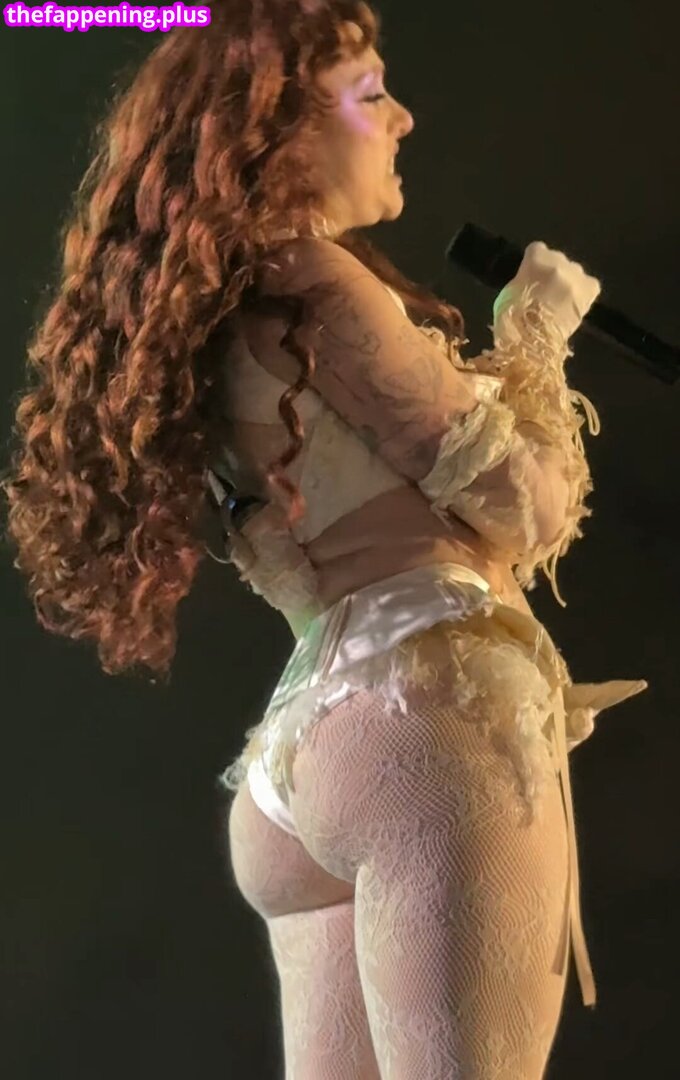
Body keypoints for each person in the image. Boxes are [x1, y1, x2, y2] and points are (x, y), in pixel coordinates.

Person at [2, 3, 647, 1077]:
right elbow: (523, 507)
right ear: (278, 130)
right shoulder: (316, 285)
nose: (403, 117)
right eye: (370, 94)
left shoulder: (204, 313)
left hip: (303, 757)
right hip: (426, 715)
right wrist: (533, 333)